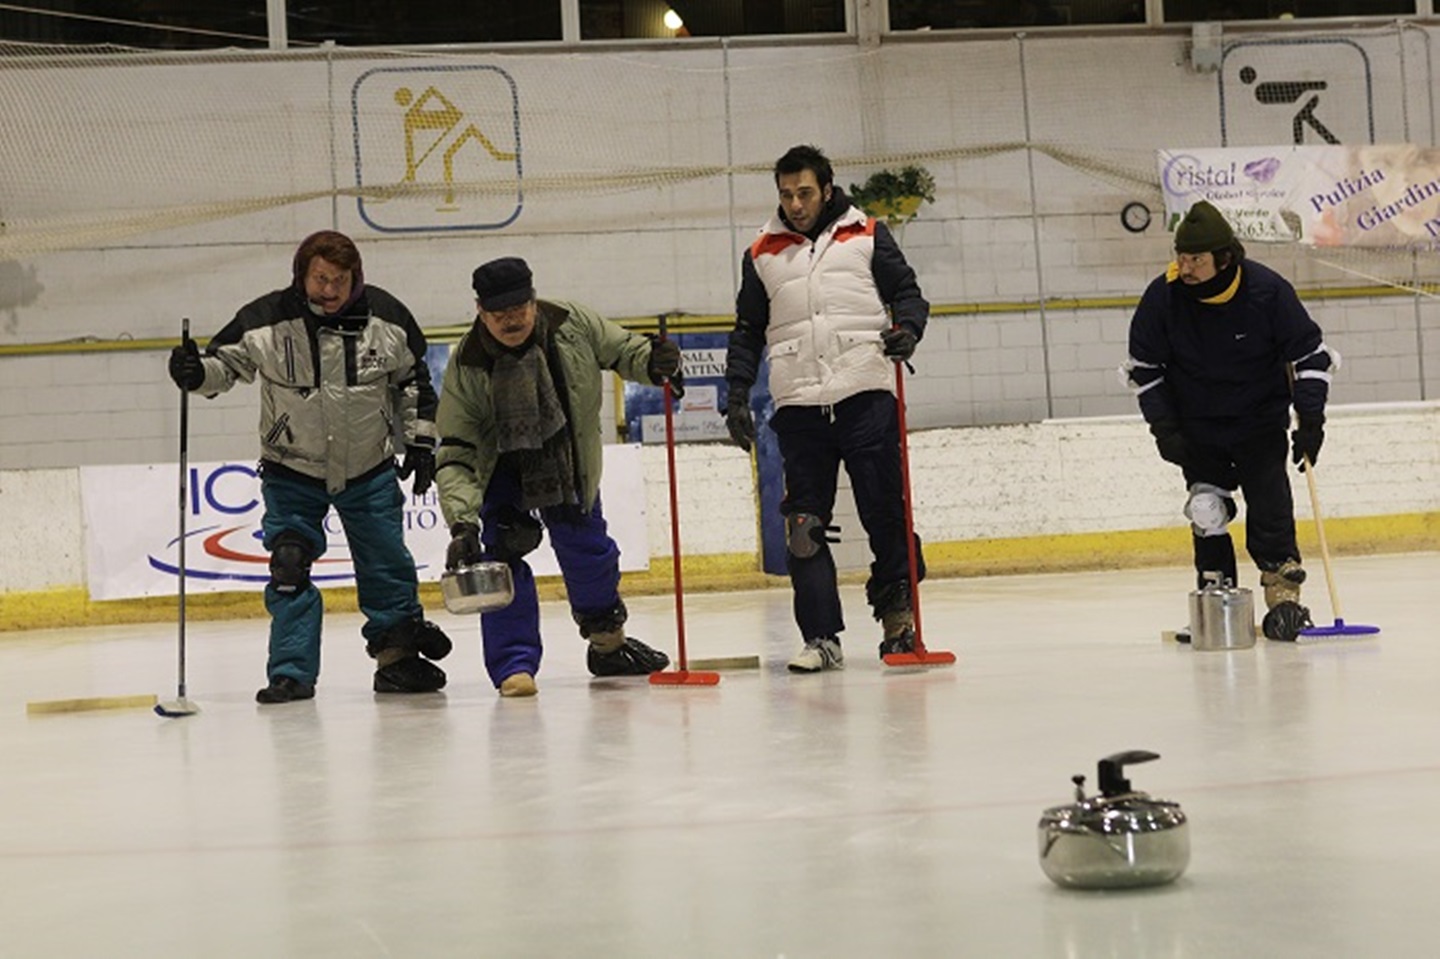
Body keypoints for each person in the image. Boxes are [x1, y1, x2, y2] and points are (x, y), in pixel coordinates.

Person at [167, 230, 452, 703]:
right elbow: (224, 366)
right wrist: (196, 374)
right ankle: (291, 673)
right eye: (320, 279)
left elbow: (414, 383)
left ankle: (398, 658)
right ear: (302, 275)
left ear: (355, 278)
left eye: (340, 280)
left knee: (386, 564)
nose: (330, 290)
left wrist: (421, 444)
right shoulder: (265, 320)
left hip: (369, 469)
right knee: (288, 565)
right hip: (291, 470)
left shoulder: (389, 319)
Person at [723, 144, 930, 673]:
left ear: (828, 189)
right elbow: (747, 331)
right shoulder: (763, 253)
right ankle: (821, 637)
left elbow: (907, 293)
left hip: (865, 392)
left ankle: (898, 624)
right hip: (800, 405)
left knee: (884, 512)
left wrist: (907, 330)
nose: (795, 204)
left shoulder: (866, 234)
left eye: (805, 193)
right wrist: (737, 393)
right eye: (787, 194)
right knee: (803, 526)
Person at [435, 256, 680, 697]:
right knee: (502, 559)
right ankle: (514, 666)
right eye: (498, 314)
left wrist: (654, 360)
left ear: (533, 299)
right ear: (479, 310)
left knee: (589, 551)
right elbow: (457, 448)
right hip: (500, 471)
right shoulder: (468, 363)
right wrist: (462, 521)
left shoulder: (572, 324)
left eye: (519, 309)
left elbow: (625, 350)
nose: (511, 321)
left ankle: (608, 645)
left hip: (563, 461)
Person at [1125, 200, 1337, 641]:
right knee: (1206, 509)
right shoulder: (1163, 298)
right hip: (1197, 424)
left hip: (1259, 421)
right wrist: (1164, 429)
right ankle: (1214, 595)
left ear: (1224, 257)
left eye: (1195, 260)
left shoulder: (1266, 291)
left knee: (1270, 506)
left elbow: (1310, 357)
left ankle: (1284, 599)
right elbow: (1145, 371)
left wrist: (1311, 418)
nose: (1184, 268)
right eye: (1180, 258)